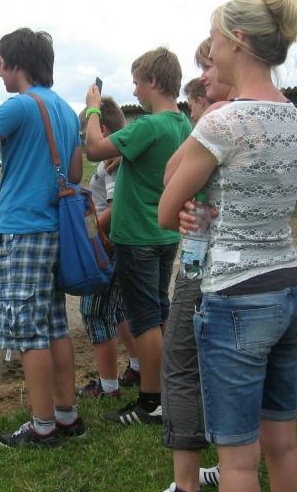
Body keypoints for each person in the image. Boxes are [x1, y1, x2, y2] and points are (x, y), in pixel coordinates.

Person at [159, 0, 297, 492]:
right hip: (289, 288)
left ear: (238, 40)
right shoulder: (294, 116)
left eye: (216, 38)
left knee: (239, 463)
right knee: (283, 445)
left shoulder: (223, 121)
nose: (212, 49)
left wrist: (192, 211)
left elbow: (166, 210)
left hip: (236, 296)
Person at [0, 27, 85, 448]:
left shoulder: (20, 106)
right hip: (55, 230)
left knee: (29, 333)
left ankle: (43, 426)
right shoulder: (65, 110)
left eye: (0, 64)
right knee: (55, 324)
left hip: (22, 231)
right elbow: (76, 173)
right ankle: (66, 414)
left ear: (15, 65)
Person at [84, 47, 191, 426]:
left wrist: (93, 109)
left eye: (136, 82)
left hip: (136, 237)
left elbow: (93, 148)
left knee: (143, 318)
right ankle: (166, 389)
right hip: (164, 235)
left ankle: (151, 402)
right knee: (159, 311)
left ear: (153, 82)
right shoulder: (183, 125)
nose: (133, 91)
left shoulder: (148, 125)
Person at [162, 38, 237, 492]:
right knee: (237, 370)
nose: (203, 79)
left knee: (182, 364)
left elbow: (171, 179)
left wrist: (202, 125)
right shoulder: (276, 112)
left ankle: (186, 482)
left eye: (208, 66)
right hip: (255, 270)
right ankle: (233, 466)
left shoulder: (217, 119)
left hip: (202, 264)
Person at [75, 95, 140, 398]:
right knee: (118, 310)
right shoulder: (116, 159)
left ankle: (108, 386)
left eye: (84, 135)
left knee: (96, 312)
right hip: (117, 244)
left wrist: (90, 234)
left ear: (101, 130)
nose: (83, 143)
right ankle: (138, 367)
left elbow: (116, 207)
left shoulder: (110, 163)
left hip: (108, 247)